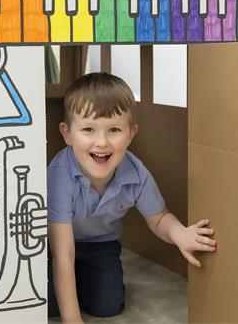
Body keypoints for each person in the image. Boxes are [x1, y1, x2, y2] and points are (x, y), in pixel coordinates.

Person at [47, 72, 217, 324]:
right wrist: (72, 320)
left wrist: (180, 233)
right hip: (55, 246)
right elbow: (63, 252)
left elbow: (159, 218)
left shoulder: (135, 174)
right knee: (49, 304)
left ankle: (84, 279)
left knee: (108, 305)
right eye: (88, 129)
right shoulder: (60, 175)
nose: (102, 142)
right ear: (67, 134)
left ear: (131, 133)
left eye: (114, 130)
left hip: (101, 244)